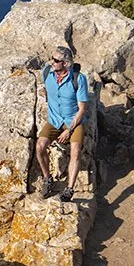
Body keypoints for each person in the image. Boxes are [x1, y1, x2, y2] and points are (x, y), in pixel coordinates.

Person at [35, 44, 89, 201]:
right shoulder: (47, 73)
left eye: (55, 60)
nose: (51, 62)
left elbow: (82, 109)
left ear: (65, 63)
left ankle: (69, 189)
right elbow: (47, 89)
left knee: (76, 150)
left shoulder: (78, 79)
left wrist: (69, 130)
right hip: (54, 119)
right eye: (52, 58)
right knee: (40, 146)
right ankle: (47, 179)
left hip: (73, 120)